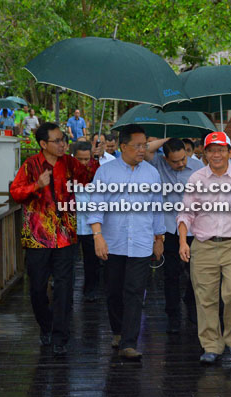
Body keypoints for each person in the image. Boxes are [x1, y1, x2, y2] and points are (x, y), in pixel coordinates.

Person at [10, 122, 99, 356]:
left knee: (64, 286)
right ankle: (45, 325)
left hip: (66, 235)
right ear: (43, 144)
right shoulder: (31, 165)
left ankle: (61, 336)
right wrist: (36, 185)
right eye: (57, 141)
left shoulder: (69, 163)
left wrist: (93, 160)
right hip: (38, 237)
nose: (62, 144)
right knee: (38, 288)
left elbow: (88, 179)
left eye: (63, 140)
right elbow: (16, 193)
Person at [177, 131, 231, 364]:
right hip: (203, 245)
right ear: (204, 154)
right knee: (205, 298)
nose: (216, 154)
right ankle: (211, 345)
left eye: (221, 150)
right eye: (211, 150)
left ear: (229, 152)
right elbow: (186, 213)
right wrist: (184, 241)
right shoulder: (196, 179)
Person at [87, 124, 165, 360]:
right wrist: (97, 236)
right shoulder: (106, 172)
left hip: (141, 242)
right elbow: (95, 206)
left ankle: (129, 343)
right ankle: (119, 331)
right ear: (123, 147)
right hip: (113, 241)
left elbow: (157, 209)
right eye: (138, 146)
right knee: (113, 291)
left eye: (145, 145)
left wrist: (158, 238)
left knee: (134, 291)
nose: (142, 150)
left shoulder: (151, 173)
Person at [145, 138, 204, 333]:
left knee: (196, 273)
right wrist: (167, 138)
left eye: (183, 159)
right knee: (171, 274)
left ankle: (193, 306)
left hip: (195, 230)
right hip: (169, 228)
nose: (180, 164)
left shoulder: (198, 167)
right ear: (166, 158)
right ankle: (173, 315)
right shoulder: (157, 164)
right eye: (175, 161)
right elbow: (146, 149)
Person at [73, 141, 105, 302]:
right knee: (67, 261)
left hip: (90, 225)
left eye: (87, 159)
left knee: (92, 261)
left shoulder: (97, 172)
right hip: (71, 225)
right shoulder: (67, 173)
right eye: (80, 159)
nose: (84, 163)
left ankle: (91, 290)